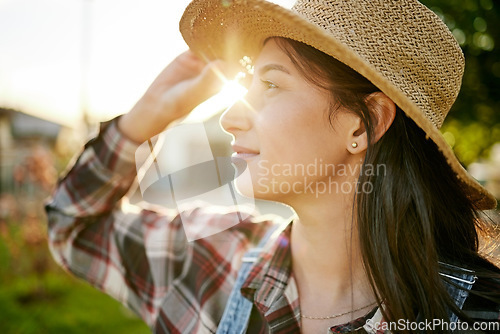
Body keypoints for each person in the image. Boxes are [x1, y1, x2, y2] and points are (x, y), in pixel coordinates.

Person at [46, 0, 500, 333]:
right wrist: (141, 120)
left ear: (365, 124)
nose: (231, 116)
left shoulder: (478, 314)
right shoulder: (212, 263)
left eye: (271, 86)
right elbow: (74, 226)